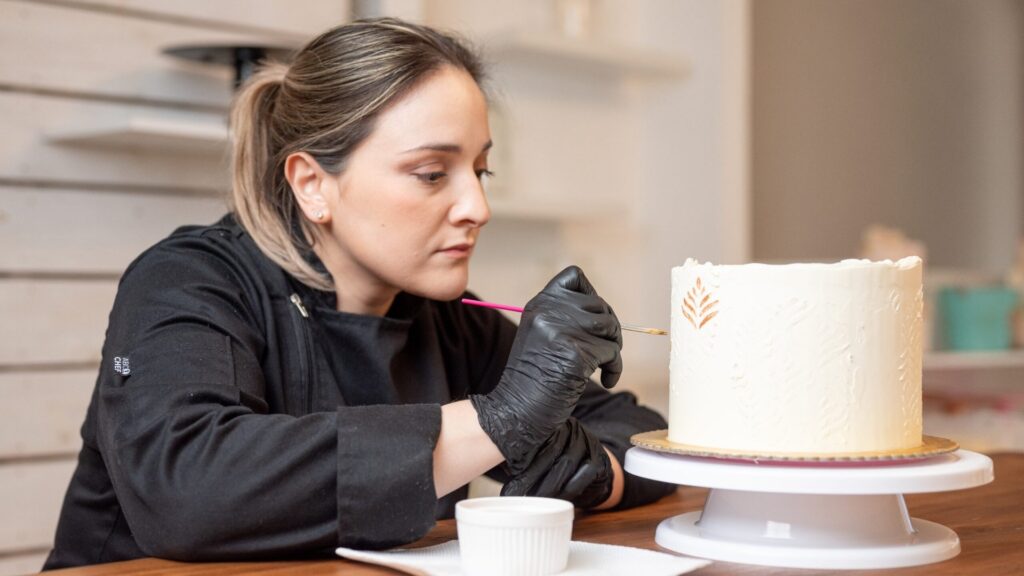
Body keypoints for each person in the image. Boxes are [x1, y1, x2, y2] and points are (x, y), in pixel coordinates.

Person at [43, 17, 673, 569]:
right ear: (312, 184)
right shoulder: (187, 281)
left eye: (482, 171)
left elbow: (635, 429)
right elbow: (187, 488)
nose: (477, 207)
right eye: (432, 173)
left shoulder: (447, 319)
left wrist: (593, 475)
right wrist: (501, 421)